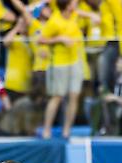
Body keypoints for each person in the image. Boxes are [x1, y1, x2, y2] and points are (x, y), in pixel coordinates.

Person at [39, 0, 84, 139]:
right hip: (59, 63)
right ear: (68, 5)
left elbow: (85, 13)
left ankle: (67, 130)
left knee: (74, 96)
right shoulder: (54, 21)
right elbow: (40, 39)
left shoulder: (74, 16)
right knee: (57, 96)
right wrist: (59, 39)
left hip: (75, 61)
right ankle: (47, 130)